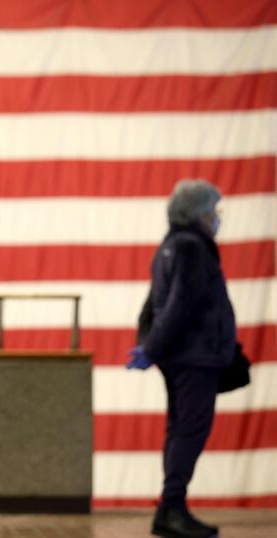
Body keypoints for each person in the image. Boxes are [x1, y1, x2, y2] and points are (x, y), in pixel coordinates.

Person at [131, 179, 235, 538]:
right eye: (213, 211)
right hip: (195, 358)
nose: (216, 218)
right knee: (190, 431)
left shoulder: (169, 247)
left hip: (181, 358)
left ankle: (170, 508)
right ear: (199, 214)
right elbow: (178, 307)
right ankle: (172, 509)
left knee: (179, 431)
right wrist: (150, 348)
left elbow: (152, 306)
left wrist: (148, 346)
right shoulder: (192, 247)